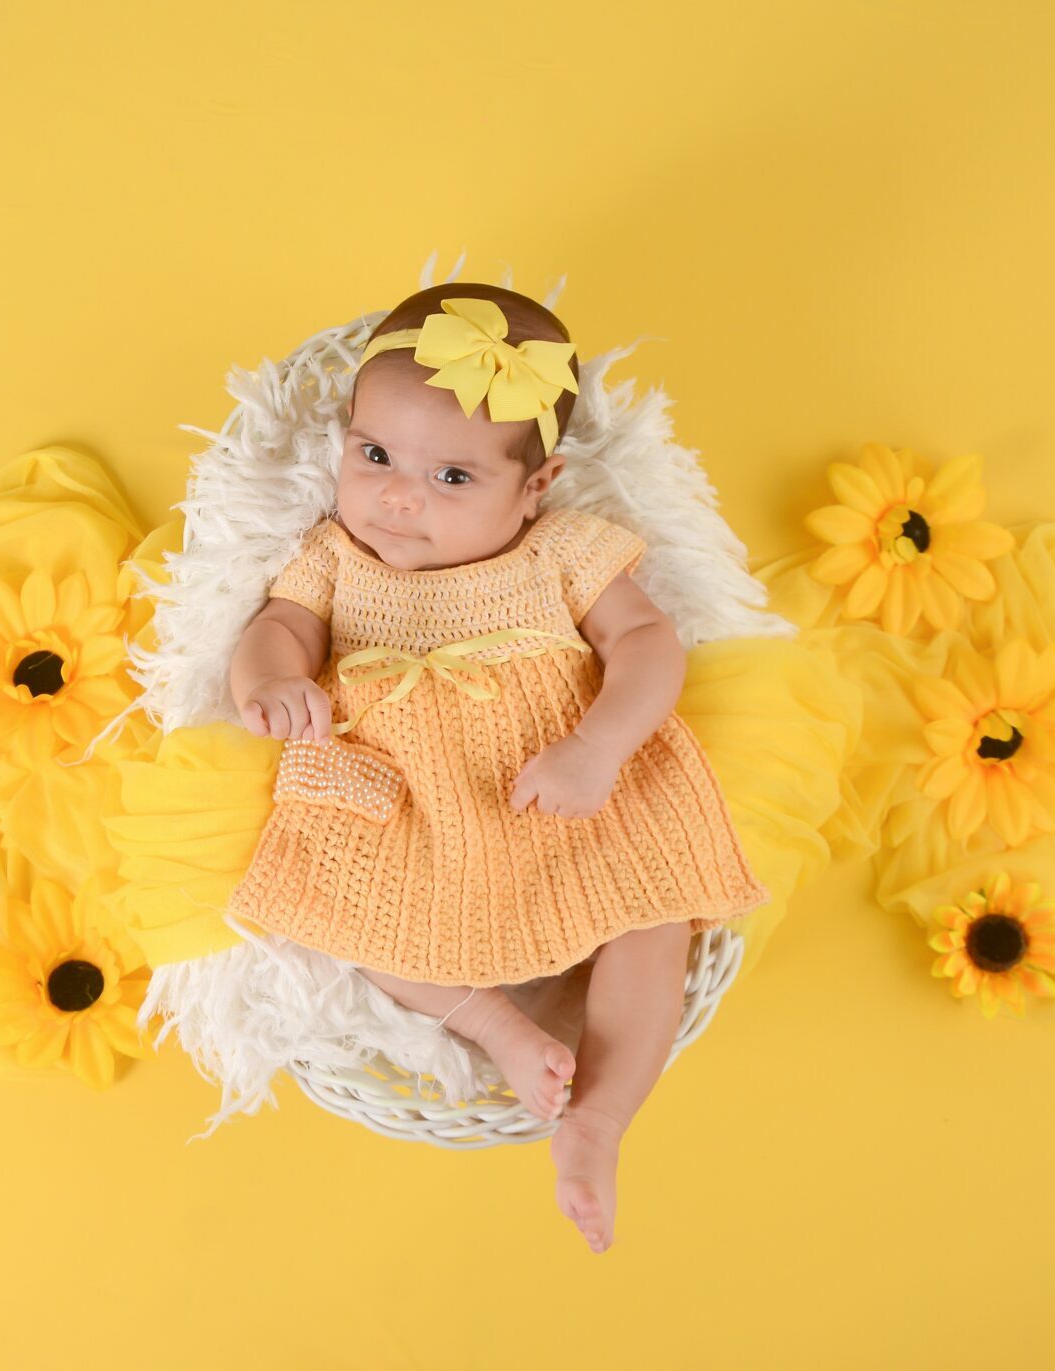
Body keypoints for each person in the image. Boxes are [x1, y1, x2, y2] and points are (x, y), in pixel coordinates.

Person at [226, 282, 770, 1255]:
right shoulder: (333, 557)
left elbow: (648, 643)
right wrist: (269, 682)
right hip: (408, 811)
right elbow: (279, 627)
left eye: (452, 477)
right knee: (347, 912)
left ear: (536, 485)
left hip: (566, 792)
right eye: (375, 456)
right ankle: (495, 1027)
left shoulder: (562, 551)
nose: (398, 496)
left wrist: (599, 747)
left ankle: (598, 1120)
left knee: (654, 917)